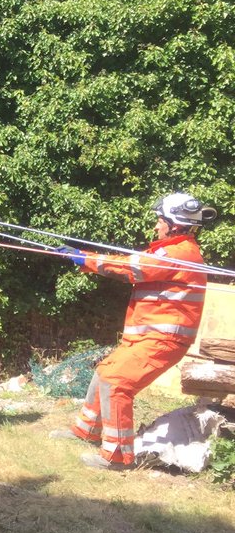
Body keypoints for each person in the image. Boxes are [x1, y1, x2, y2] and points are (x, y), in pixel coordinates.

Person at [57, 193, 216, 470]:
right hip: (145, 338)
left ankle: (117, 458)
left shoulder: (177, 253)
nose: (156, 226)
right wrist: (86, 257)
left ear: (174, 224)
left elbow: (131, 268)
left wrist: (85, 259)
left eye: (160, 221)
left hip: (162, 340)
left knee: (117, 382)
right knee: (104, 371)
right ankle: (85, 431)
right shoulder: (172, 251)